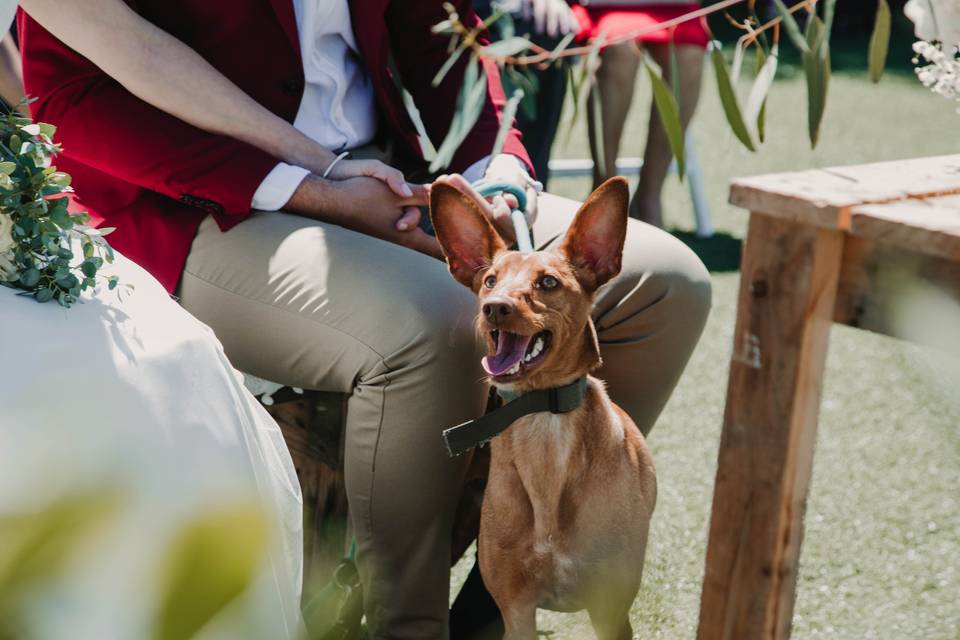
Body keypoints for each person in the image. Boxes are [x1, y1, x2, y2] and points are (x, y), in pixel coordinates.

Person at [18, 1, 712, 637]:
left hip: (382, 174)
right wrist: (311, 186)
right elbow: (71, 94)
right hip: (198, 201)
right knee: (435, 322)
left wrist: (493, 161)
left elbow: (441, 27)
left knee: (666, 284)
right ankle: (406, 624)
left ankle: (495, 604)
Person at [576, 0, 708, 227]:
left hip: (672, 7)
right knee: (618, 50)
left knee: (689, 55)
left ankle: (649, 194)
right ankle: (604, 190)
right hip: (606, 7)